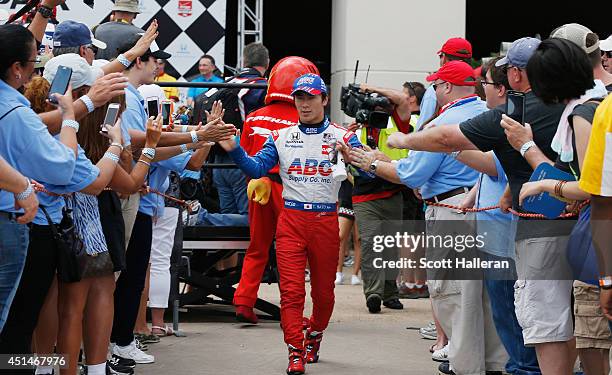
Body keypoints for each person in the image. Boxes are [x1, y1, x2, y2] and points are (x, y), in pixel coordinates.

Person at [383, 36, 577, 375]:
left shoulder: (515, 116)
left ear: (515, 76)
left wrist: (402, 139)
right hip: (576, 228)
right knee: (567, 327)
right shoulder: (575, 105)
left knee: (539, 332)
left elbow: (445, 139)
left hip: (538, 234)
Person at [351, 60, 507, 375]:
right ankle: (494, 363)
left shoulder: (441, 124)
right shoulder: (487, 115)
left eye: (436, 85)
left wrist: (372, 163)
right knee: (484, 297)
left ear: (447, 87)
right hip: (482, 209)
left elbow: (411, 174)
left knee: (454, 295)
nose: (432, 91)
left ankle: (465, 365)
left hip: (451, 212)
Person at [222, 73, 368, 375]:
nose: (304, 104)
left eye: (311, 97)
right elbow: (257, 167)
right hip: (290, 221)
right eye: (299, 97)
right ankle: (295, 351)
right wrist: (234, 148)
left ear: (324, 99)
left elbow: (369, 174)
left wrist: (353, 159)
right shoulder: (282, 136)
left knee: (324, 295)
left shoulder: (343, 135)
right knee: (291, 293)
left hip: (326, 221)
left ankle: (314, 334)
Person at [504, 35, 609, 375]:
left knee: (593, 343)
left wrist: (547, 183)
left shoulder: (582, 114)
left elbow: (595, 187)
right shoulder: (600, 100)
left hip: (601, 240)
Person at [0, 24, 78, 334]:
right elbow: (63, 168)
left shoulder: (19, 111)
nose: (36, 72)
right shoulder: (16, 113)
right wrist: (70, 118)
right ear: (17, 68)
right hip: (10, 224)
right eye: (34, 64)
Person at [232, 57, 320, 325]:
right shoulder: (305, 118)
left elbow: (246, 157)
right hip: (290, 192)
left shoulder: (256, 117)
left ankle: (244, 302)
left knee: (257, 247)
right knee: (292, 252)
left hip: (257, 189)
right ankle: (291, 312)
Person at [416, 37, 473, 129]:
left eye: (441, 56)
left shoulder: (437, 88)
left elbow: (421, 131)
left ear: (445, 59)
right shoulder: (482, 86)